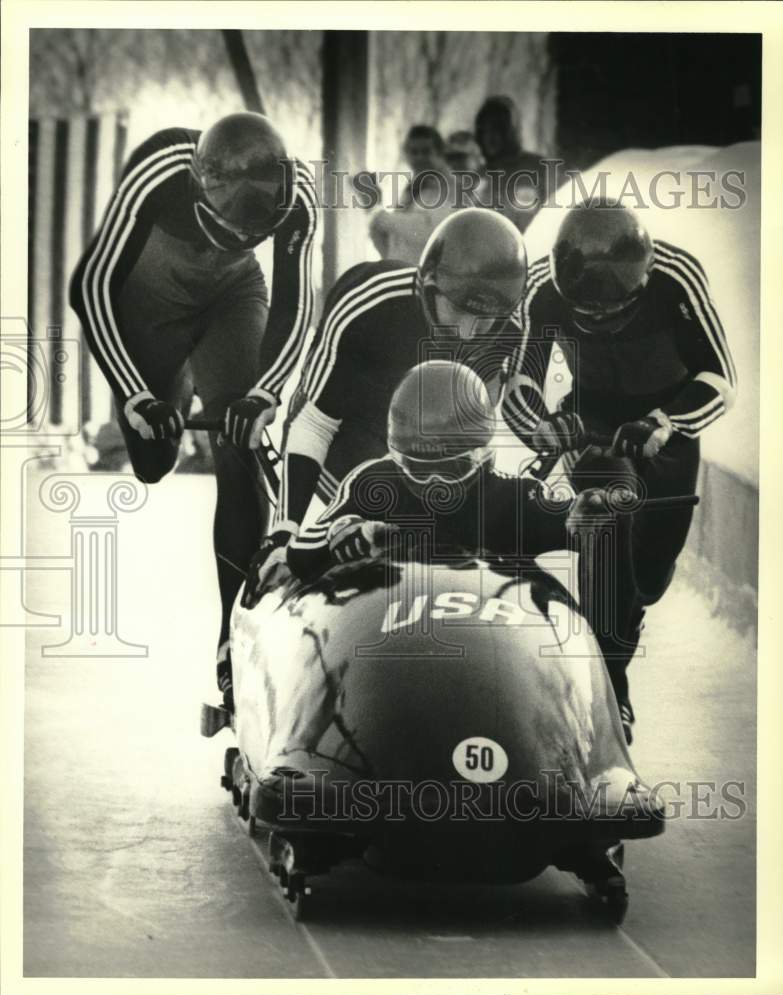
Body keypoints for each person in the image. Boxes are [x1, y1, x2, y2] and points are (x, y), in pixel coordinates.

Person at [69, 112, 318, 711]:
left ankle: (230, 638)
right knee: (154, 461)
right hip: (153, 293)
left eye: (253, 235)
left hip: (234, 295)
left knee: (242, 443)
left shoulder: (300, 195)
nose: (239, 240)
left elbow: (295, 304)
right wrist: (135, 393)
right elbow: (91, 285)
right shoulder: (159, 170)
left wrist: (265, 394)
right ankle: (173, 378)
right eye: (229, 230)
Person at [272, 361, 634, 739]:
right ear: (397, 456)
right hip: (386, 659)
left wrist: (584, 519)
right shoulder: (372, 482)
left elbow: (574, 523)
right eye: (418, 467)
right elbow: (301, 555)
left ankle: (612, 690)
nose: (435, 485)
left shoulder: (511, 495)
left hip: (495, 663)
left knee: (611, 522)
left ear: (482, 457)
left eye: (452, 468)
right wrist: (348, 535)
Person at [501, 198, 737, 739]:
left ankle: (619, 636)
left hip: (665, 427)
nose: (601, 323)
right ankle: (609, 689)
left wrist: (666, 423)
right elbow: (519, 381)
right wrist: (544, 429)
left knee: (646, 581)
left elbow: (720, 378)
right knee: (607, 519)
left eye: (616, 311)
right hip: (594, 427)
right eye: (586, 313)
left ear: (643, 278)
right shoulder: (541, 287)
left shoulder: (677, 277)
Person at [250, 207, 528, 579]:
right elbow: (314, 423)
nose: (468, 333)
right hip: (348, 436)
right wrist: (286, 532)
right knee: (369, 524)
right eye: (460, 311)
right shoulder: (371, 303)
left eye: (486, 318)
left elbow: (472, 441)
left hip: (421, 447)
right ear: (430, 289)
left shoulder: (509, 332)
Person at [367, 125, 455, 265]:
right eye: (414, 152)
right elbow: (392, 241)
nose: (419, 157)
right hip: (404, 275)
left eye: (426, 152)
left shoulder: (449, 187)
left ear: (439, 154)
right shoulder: (412, 188)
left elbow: (431, 232)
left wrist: (381, 217)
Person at [474, 95, 550, 233]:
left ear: (510, 132)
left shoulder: (539, 168)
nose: (491, 138)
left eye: (497, 130)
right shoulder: (479, 176)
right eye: (485, 131)